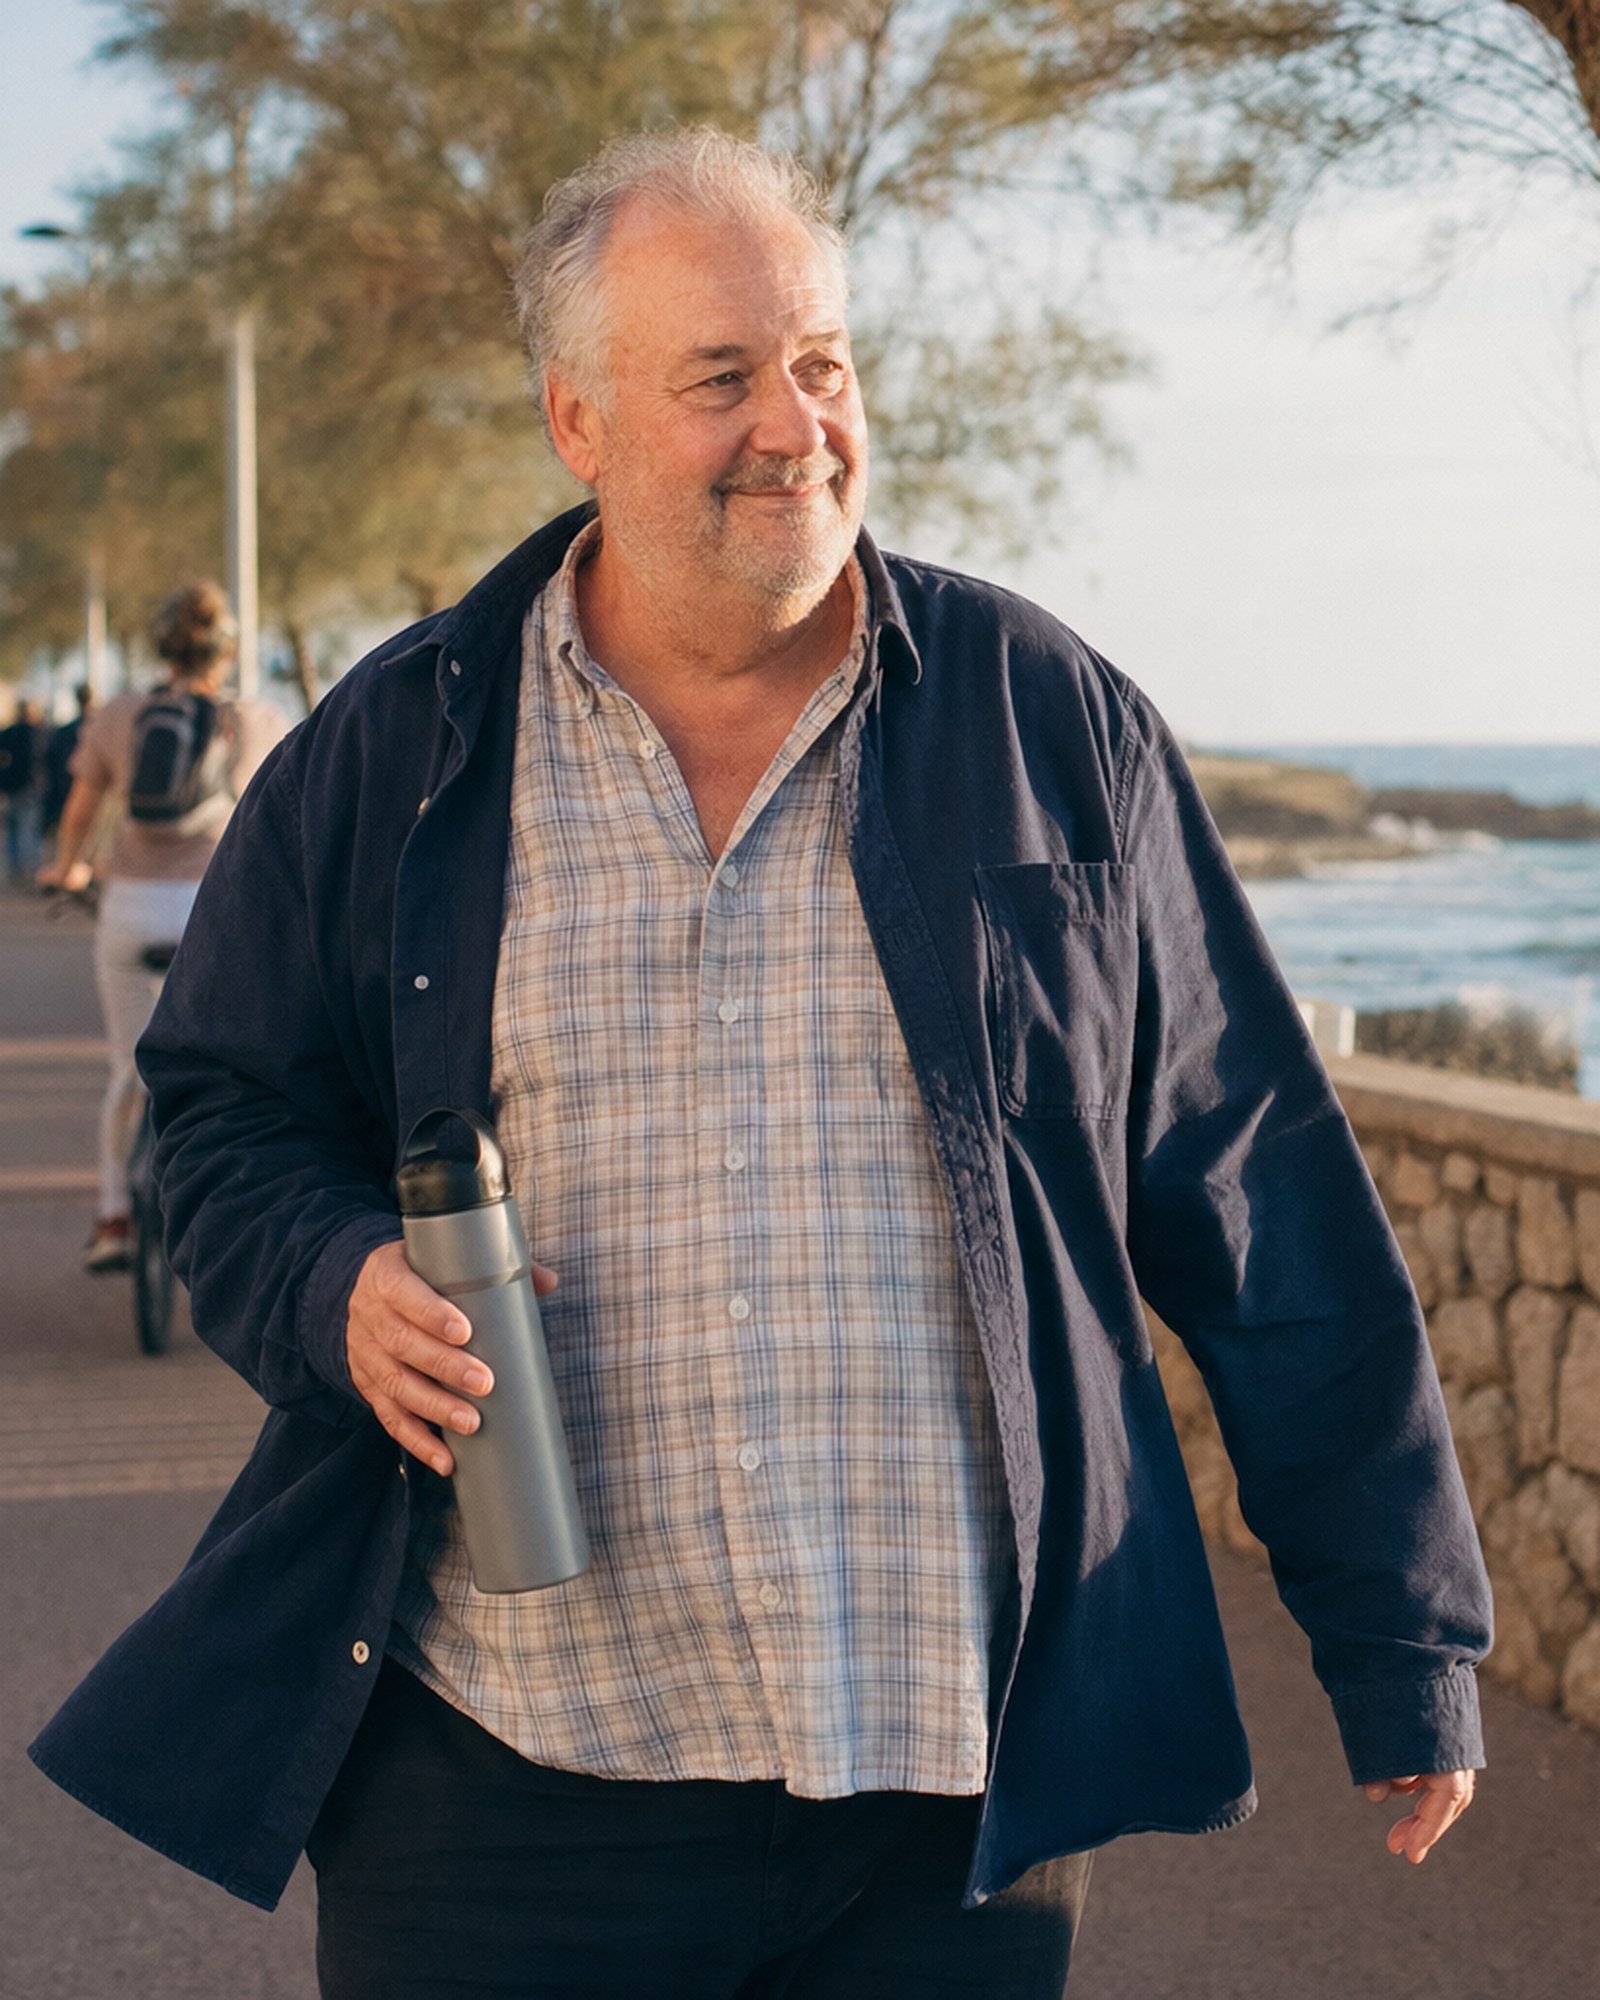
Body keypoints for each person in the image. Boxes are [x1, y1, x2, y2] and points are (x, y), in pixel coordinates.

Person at [30, 131, 1492, 1997]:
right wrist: (337, 1287)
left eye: (821, 363)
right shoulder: (393, 749)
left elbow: (1256, 1186)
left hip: (943, 1806)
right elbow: (219, 1115)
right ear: (578, 420)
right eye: (720, 377)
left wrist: (1403, 1637)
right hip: (499, 1789)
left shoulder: (1051, 727)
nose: (794, 426)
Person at [37, 583, 284, 1271]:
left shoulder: (120, 715)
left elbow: (82, 809)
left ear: (160, 646)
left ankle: (115, 1218)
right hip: (214, 908)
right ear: (227, 651)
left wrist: (67, 867)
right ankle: (235, 1217)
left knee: (129, 1064)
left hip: (131, 905)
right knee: (232, 1068)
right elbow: (276, 818)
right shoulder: (254, 719)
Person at [0, 694, 47, 884]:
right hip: (30, 789)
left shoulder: (8, 733)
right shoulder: (38, 734)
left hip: (12, 788)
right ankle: (29, 868)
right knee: (28, 829)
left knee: (13, 829)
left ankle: (16, 870)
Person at [42, 681, 95, 840]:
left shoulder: (64, 732)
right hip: (90, 795)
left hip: (67, 794)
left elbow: (51, 765)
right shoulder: (98, 730)